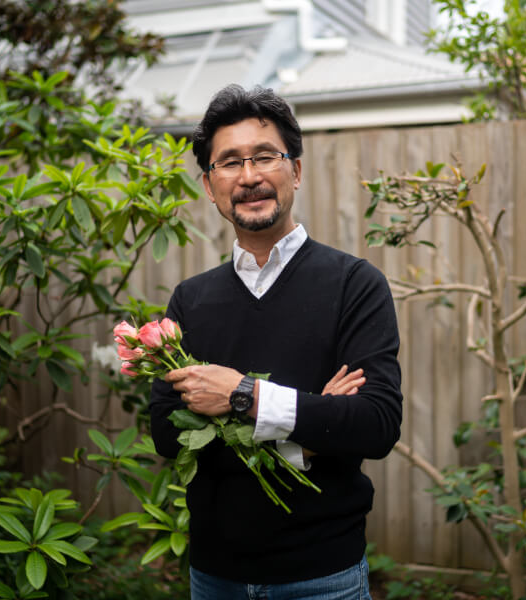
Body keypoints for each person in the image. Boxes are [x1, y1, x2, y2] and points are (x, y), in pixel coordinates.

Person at [149, 84, 403, 600]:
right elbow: (168, 436)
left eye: (265, 156)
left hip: (324, 577)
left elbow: (375, 426)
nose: (249, 176)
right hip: (213, 576)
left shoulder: (354, 284)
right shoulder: (190, 301)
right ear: (209, 184)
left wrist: (242, 397)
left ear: (297, 170)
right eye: (229, 163)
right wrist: (309, 433)